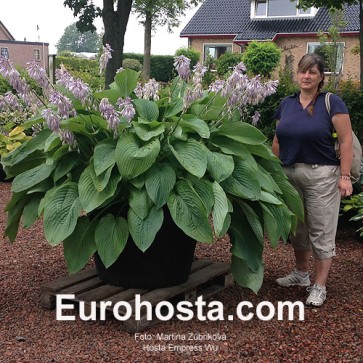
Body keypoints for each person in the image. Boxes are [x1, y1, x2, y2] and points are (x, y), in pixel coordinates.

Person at [272, 53, 353, 307]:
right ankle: (301, 274)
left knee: (321, 230)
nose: (306, 76)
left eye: (312, 72)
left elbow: (346, 140)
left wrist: (345, 176)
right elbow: (277, 140)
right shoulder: (286, 103)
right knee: (298, 229)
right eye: (303, 71)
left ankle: (319, 286)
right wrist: (273, 171)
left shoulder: (332, 102)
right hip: (289, 173)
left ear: (321, 78)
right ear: (297, 74)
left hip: (322, 175)